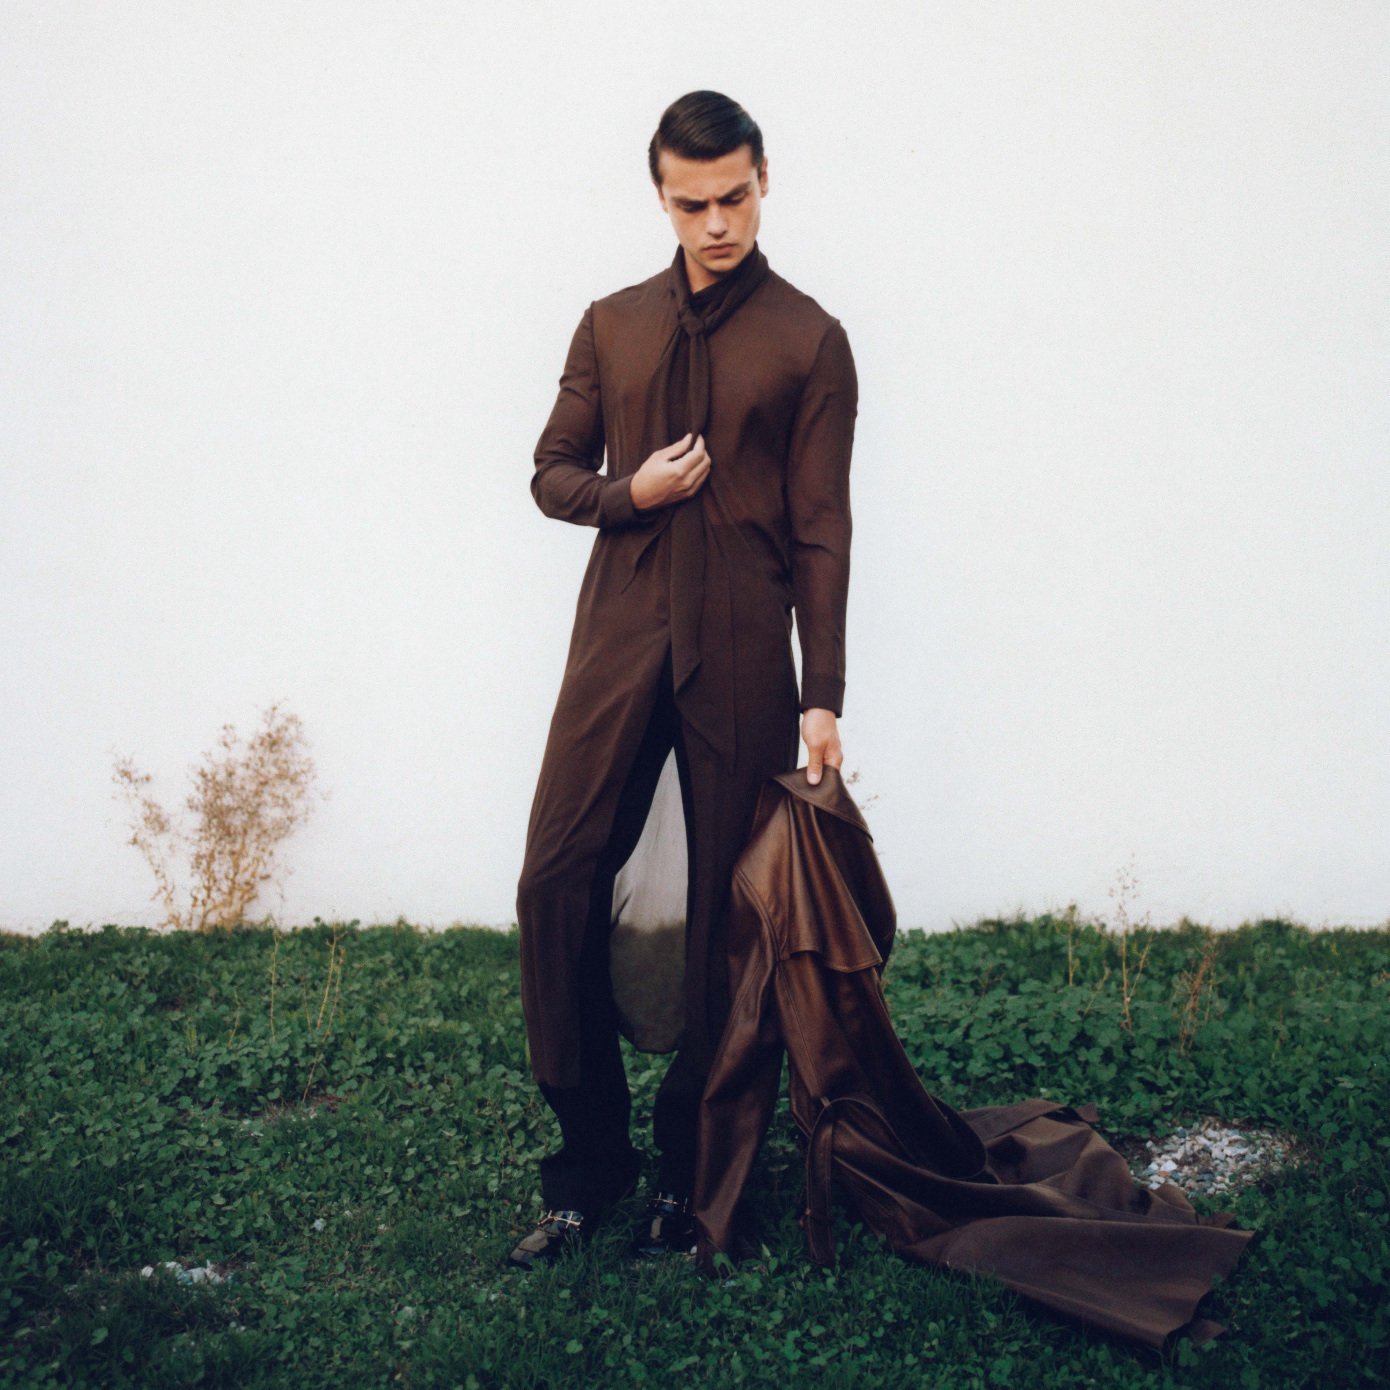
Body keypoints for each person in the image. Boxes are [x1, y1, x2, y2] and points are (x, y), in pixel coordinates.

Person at [508, 90, 858, 1269]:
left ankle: (689, 1172)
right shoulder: (610, 324)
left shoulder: (810, 340)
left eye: (734, 198)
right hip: (618, 635)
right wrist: (632, 493)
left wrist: (822, 691)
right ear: (660, 197)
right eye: (691, 203)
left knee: (725, 916)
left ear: (764, 183)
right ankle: (587, 1162)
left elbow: (821, 527)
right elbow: (551, 472)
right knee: (555, 881)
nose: (716, 223)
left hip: (746, 647)